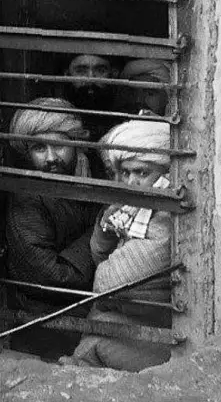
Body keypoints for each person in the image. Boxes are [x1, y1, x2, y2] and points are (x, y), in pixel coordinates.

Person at [61, 120, 173, 371]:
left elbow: (108, 283)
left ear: (166, 174)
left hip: (161, 331)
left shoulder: (164, 220)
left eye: (142, 173)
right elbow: (99, 256)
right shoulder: (134, 211)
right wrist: (105, 228)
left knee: (101, 330)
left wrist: (105, 265)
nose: (130, 182)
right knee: (98, 321)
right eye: (123, 173)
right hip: (131, 314)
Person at [5, 98, 98, 296]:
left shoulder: (92, 178)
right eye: (39, 148)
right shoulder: (28, 199)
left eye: (58, 145)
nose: (51, 158)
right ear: (27, 154)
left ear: (75, 145)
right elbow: (50, 277)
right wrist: (100, 231)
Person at [63, 54, 118, 141]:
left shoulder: (123, 118)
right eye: (81, 71)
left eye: (100, 70)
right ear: (67, 75)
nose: (91, 78)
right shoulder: (58, 114)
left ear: (113, 74)